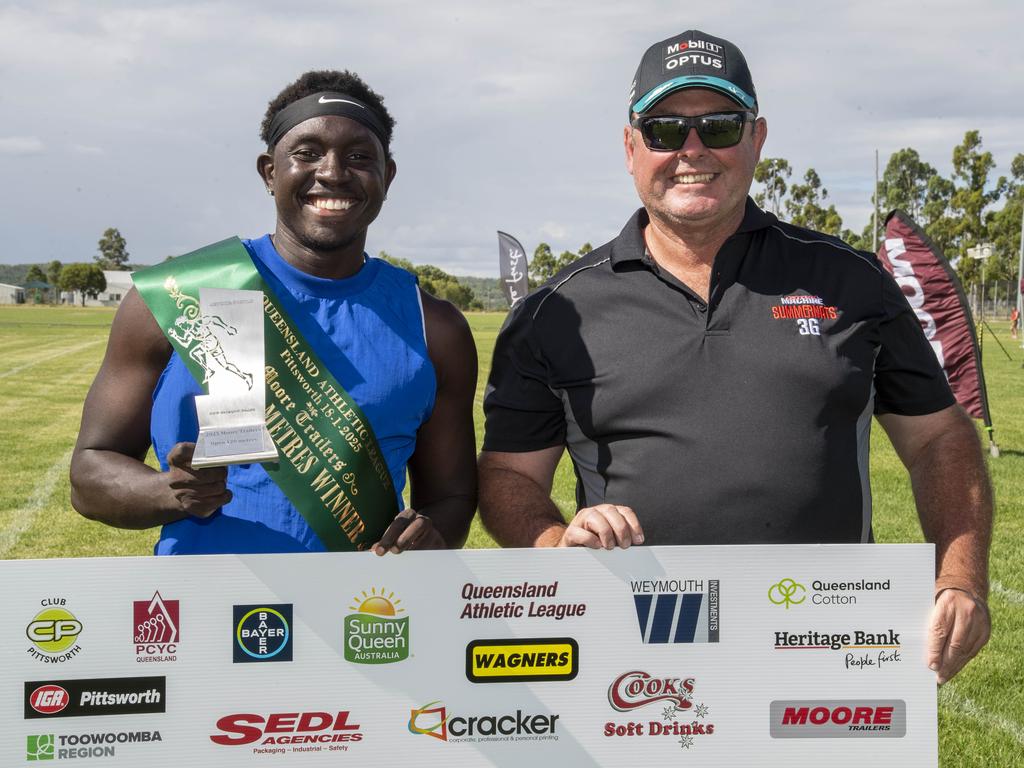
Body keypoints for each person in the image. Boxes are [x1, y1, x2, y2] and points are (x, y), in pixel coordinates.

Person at [478, 31, 991, 684]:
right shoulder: (556, 311)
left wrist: (960, 577)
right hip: (636, 658)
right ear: (631, 147)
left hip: (825, 653)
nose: (692, 151)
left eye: (718, 125)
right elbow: (508, 478)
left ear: (757, 138)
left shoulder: (852, 281)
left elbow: (940, 438)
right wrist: (553, 544)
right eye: (665, 130)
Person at [71, 70, 477, 556]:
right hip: (201, 610)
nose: (332, 172)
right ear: (269, 171)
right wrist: (169, 491)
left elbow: (451, 497)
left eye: (359, 156)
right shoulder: (184, 293)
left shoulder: (435, 327)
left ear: (387, 176)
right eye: (306, 153)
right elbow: (90, 472)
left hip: (360, 618)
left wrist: (431, 533)